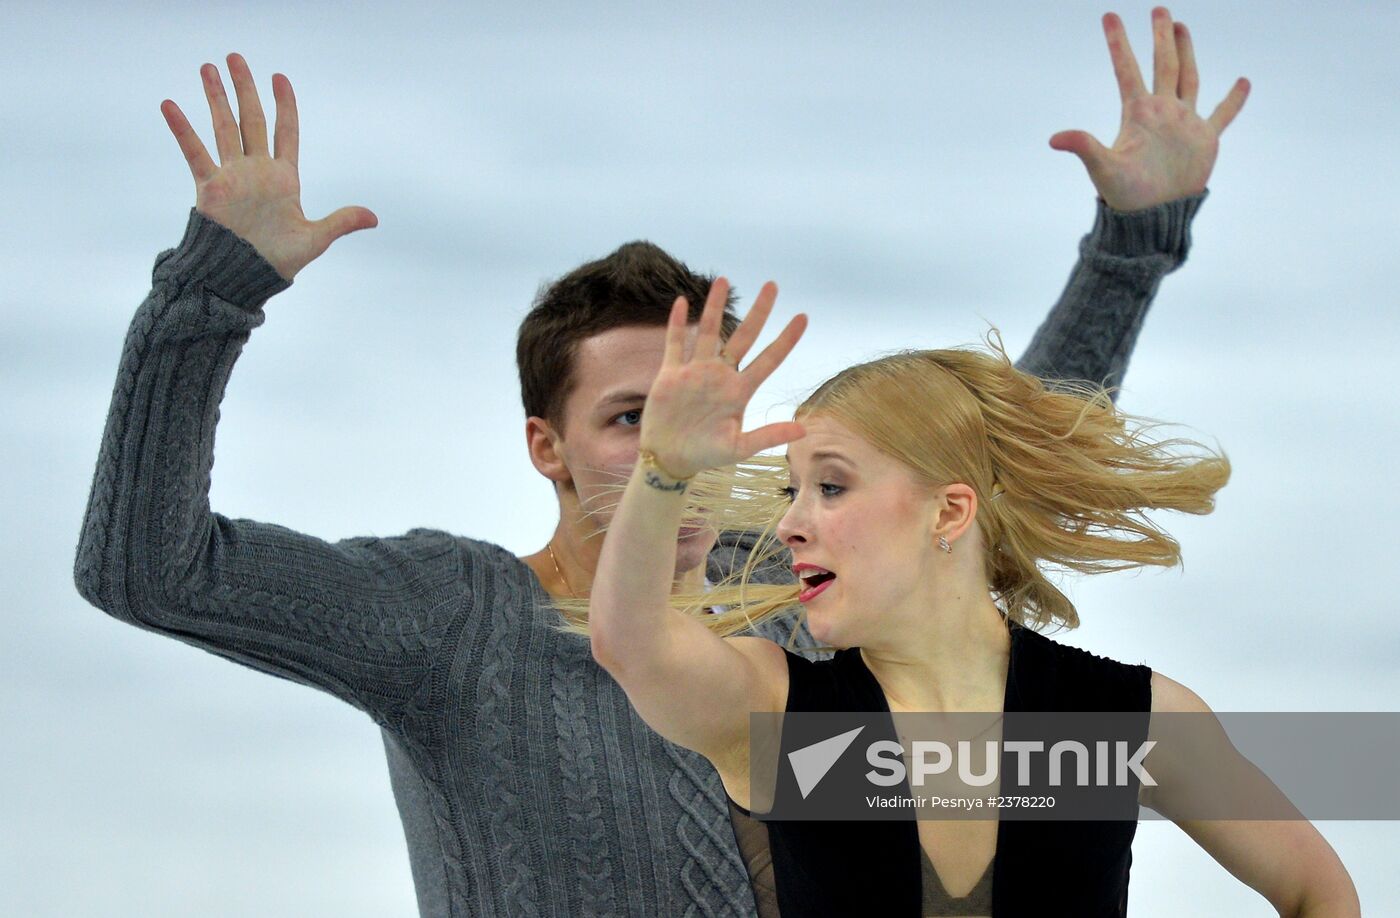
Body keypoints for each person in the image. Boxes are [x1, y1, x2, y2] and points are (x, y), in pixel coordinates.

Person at [73, 7, 1245, 916]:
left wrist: (1130, 247)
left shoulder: (802, 595)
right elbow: (146, 571)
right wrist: (210, 298)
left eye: (707, 407)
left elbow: (992, 462)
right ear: (546, 445)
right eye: (631, 416)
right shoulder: (453, 619)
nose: (678, 447)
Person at [586, 280, 1361, 915]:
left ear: (950, 512)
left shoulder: (1127, 720)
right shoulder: (780, 717)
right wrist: (663, 470)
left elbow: (1316, 892)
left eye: (830, 486)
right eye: (792, 491)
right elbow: (632, 645)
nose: (788, 523)